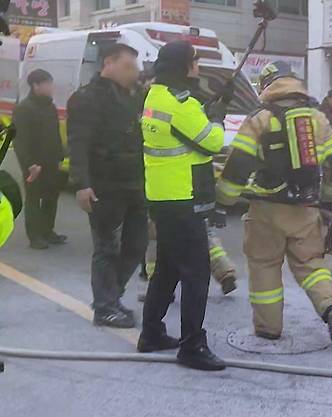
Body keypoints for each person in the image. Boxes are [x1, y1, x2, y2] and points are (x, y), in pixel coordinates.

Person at [216, 61, 332, 344]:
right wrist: (326, 201)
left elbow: (238, 166)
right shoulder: (317, 117)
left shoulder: (260, 119)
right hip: (305, 208)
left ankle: (268, 328)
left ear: (266, 85)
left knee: (265, 267)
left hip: (266, 209)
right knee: (311, 264)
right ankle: (331, 308)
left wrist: (222, 203)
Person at [138, 41, 226, 371]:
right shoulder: (181, 103)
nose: (198, 66)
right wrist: (216, 118)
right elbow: (213, 142)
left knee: (168, 267)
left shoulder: (155, 95)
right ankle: (192, 345)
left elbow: (183, 137)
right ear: (184, 65)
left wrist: (205, 110)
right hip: (183, 197)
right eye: (196, 60)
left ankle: (151, 333)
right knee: (196, 273)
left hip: (161, 195)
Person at [68, 44, 147, 329]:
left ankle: (112, 296)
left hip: (135, 185)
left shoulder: (134, 97)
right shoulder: (87, 98)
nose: (135, 73)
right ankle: (104, 307)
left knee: (137, 245)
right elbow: (78, 143)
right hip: (104, 187)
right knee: (106, 248)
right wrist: (81, 184)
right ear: (108, 63)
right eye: (129, 66)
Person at [12, 69, 67, 250]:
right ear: (36, 86)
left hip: (51, 162)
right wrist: (29, 164)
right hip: (34, 164)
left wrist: (60, 156)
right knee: (34, 199)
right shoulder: (24, 109)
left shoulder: (50, 107)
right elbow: (20, 140)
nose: (51, 87)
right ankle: (35, 236)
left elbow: (55, 134)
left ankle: (47, 231)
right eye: (48, 83)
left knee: (51, 197)